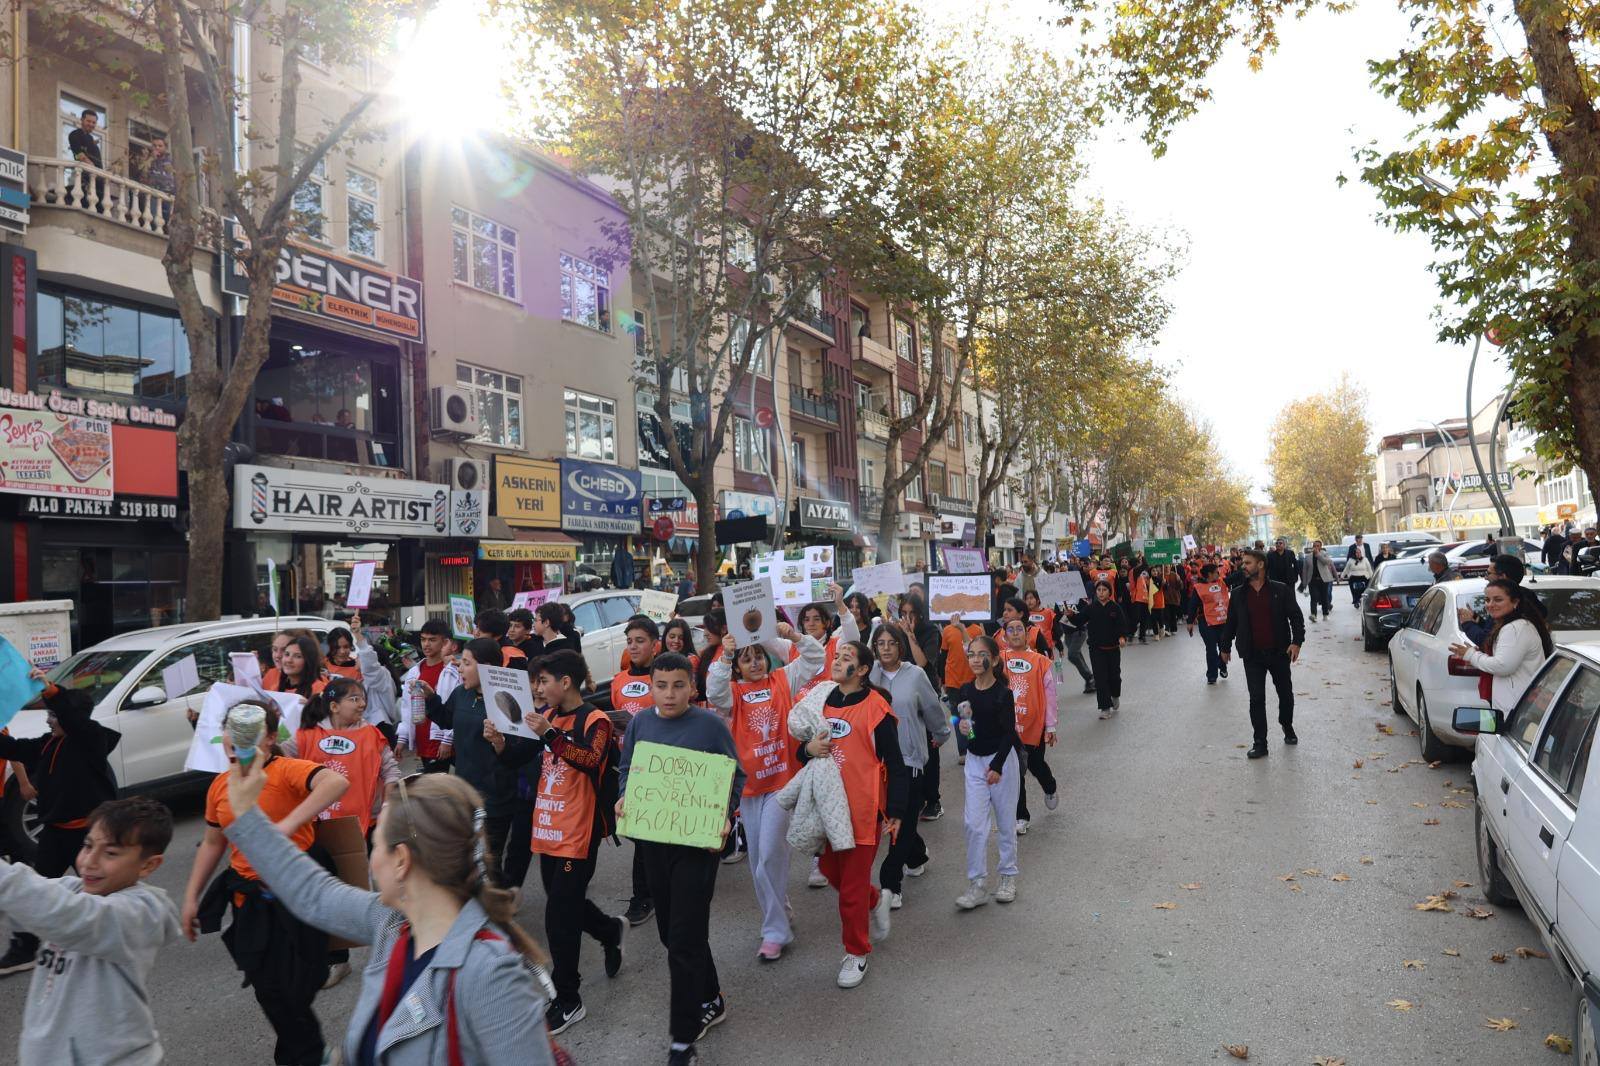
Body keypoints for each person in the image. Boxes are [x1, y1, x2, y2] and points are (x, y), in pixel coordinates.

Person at [222, 746, 558, 1065]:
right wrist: (248, 815)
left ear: (401, 860)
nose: (370, 858)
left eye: (375, 843)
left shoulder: (490, 974)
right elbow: (313, 893)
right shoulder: (392, 923)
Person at [183, 699, 350, 1066]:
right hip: (251, 900)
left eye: (250, 732)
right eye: (232, 729)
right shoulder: (220, 787)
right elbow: (213, 842)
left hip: (299, 892)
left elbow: (335, 781)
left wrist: (286, 826)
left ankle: (305, 1052)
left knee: (302, 981)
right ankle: (308, 1057)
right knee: (268, 988)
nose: (237, 739)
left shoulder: (287, 770)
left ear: (271, 738)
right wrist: (191, 897)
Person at [487, 649, 623, 1037]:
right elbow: (521, 756)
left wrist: (549, 734)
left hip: (578, 831)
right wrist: (498, 743)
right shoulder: (548, 716)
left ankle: (568, 998)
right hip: (546, 826)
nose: (538, 688)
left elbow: (589, 759)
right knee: (566, 902)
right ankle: (609, 930)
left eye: (543, 681)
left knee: (558, 916)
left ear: (565, 682)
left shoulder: (594, 720)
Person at [616, 652, 742, 1065]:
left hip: (697, 848)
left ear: (692, 686)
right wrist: (622, 798)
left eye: (678, 685)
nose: (669, 694)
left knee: (683, 941)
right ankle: (711, 997)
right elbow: (626, 769)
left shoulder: (708, 726)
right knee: (673, 934)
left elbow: (733, 775)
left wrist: (724, 817)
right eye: (661, 685)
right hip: (654, 843)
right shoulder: (640, 723)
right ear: (651, 687)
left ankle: (682, 1041)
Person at [0, 797, 181, 1064]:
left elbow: (66, 913)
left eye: (111, 853)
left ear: (148, 865)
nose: (90, 861)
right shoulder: (73, 890)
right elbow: (26, 903)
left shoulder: (144, 913)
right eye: (87, 845)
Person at [707, 622, 824, 960]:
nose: (755, 662)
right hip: (749, 790)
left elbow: (814, 659)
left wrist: (790, 636)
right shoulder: (732, 693)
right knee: (759, 859)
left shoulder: (783, 679)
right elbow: (713, 691)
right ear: (738, 666)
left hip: (782, 785)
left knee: (768, 858)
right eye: (747, 659)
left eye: (758, 656)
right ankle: (781, 909)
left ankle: (775, 931)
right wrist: (727, 655)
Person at [798, 641, 908, 990]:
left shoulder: (876, 708)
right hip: (827, 810)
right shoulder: (821, 699)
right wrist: (807, 749)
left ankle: (856, 952)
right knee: (834, 873)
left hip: (862, 810)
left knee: (850, 892)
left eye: (848, 658)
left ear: (861, 671)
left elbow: (896, 763)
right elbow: (803, 747)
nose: (839, 660)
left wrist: (896, 812)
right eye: (838, 655)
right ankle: (875, 900)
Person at [0, 676, 122, 976]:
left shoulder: (91, 740)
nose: (49, 719)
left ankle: (114, 942)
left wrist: (51, 690)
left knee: (103, 893)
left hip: (90, 837)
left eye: (53, 715)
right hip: (56, 833)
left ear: (72, 716)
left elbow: (71, 718)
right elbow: (15, 748)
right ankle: (24, 948)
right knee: (35, 890)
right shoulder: (48, 744)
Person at [418, 639, 518, 886]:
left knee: (488, 860)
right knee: (467, 857)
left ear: (486, 667)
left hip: (495, 796)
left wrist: (499, 742)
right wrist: (431, 698)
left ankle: (497, 908)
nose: (459, 668)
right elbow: (446, 719)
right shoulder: (461, 693)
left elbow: (519, 750)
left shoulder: (507, 699)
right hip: (463, 792)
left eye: (466, 663)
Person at [869, 621, 951, 908]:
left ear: (901, 645)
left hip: (910, 759)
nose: (887, 648)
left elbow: (931, 708)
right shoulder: (870, 675)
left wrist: (941, 736)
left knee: (899, 822)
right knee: (897, 821)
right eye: (881, 643)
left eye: (892, 643)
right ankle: (916, 854)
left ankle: (891, 883)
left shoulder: (915, 675)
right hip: (878, 762)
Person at [952, 635, 1021, 909]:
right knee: (973, 823)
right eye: (971, 654)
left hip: (1001, 762)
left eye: (981, 655)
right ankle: (977, 884)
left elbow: (1009, 734)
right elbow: (960, 720)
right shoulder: (965, 690)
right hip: (974, 761)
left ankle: (1007, 876)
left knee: (1005, 822)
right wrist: (962, 728)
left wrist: (996, 766)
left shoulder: (1004, 694)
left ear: (993, 659)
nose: (975, 659)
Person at [1220, 548, 1306, 760]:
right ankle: (1260, 742)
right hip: (1253, 656)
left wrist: (1296, 642)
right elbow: (1231, 622)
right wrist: (1225, 647)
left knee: (1285, 694)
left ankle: (1287, 725)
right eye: (1243, 563)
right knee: (1256, 698)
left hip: (1279, 653)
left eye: (1248, 563)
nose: (1243, 566)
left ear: (1260, 565)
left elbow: (1296, 617)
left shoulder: (1280, 590)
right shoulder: (1238, 594)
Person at [613, 616, 664, 924]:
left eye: (640, 640)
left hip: (659, 766)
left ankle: (643, 897)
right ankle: (650, 890)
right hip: (628, 767)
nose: (633, 646)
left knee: (647, 835)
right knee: (640, 833)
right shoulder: (619, 680)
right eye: (629, 640)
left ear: (654, 645)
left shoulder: (662, 678)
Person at [1450, 580, 1555, 713]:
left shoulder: (1516, 628)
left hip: (1517, 709)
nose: (1490, 605)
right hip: (1513, 706)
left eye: (1498, 600)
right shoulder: (1511, 625)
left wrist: (1471, 655)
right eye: (1487, 600)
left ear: (1515, 602)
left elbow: (1502, 666)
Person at [999, 616, 1057, 834]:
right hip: (1009, 728)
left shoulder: (1041, 662)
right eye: (1010, 630)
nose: (1015, 633)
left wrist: (1050, 726)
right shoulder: (1000, 659)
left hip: (1035, 726)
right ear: (1004, 636)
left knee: (1035, 765)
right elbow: (978, 663)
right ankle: (1021, 816)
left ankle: (1049, 787)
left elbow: (1050, 696)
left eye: (1019, 629)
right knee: (1015, 772)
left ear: (1027, 633)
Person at [398, 619, 459, 771]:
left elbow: (454, 709)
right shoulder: (414, 672)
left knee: (440, 787)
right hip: (421, 736)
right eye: (423, 639)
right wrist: (402, 737)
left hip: (441, 739)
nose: (426, 644)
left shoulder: (452, 671)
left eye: (432, 640)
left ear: (445, 642)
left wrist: (447, 739)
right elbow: (406, 706)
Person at [1075, 582, 1127, 719]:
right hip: (1096, 649)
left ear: (1109, 592)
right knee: (1100, 678)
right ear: (1096, 592)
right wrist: (1069, 615)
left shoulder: (1115, 608)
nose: (1101, 592)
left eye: (1104, 590)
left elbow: (1122, 625)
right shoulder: (1090, 608)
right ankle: (1105, 707)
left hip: (1113, 649)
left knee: (1114, 676)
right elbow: (1078, 621)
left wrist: (1122, 637)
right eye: (1099, 590)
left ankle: (1115, 695)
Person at [940, 612, 986, 760]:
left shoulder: (977, 630)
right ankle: (963, 751)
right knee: (957, 717)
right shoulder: (947, 630)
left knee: (970, 717)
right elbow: (943, 656)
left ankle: (972, 745)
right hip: (953, 681)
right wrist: (942, 679)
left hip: (972, 680)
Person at [1185, 563, 1232, 684]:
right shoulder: (1199, 587)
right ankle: (1212, 675)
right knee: (1211, 649)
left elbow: (1236, 577)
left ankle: (1222, 666)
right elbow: (1192, 605)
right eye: (1217, 572)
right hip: (1206, 622)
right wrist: (1190, 622)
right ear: (1210, 574)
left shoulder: (1222, 582)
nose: (1219, 573)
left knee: (1223, 647)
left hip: (1222, 621)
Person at [274, 633, 329, 699]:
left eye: (298, 656)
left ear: (309, 661)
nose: (289, 660)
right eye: (287, 654)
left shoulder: (320, 689)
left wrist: (310, 706)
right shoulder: (276, 689)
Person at [1300, 540, 1335, 622]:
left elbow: (1327, 562)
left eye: (1317, 546)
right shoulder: (1308, 557)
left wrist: (1318, 555)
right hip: (1312, 580)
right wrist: (1304, 583)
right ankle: (1313, 615)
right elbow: (1305, 570)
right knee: (1313, 597)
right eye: (1314, 546)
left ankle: (1325, 614)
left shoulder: (1324, 554)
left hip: (1323, 580)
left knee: (1324, 597)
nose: (1315, 547)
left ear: (1320, 547)